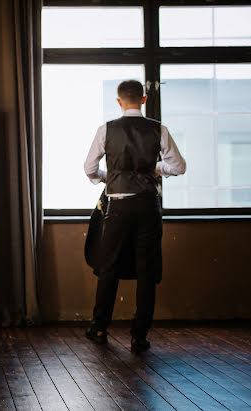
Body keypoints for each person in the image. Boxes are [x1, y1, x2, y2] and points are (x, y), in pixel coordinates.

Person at [83, 80, 186, 353]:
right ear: (143, 99)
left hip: (118, 204)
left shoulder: (107, 129)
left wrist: (109, 177)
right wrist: (156, 170)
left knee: (109, 267)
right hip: (148, 205)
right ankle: (139, 337)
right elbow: (179, 166)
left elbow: (89, 168)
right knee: (147, 270)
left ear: (119, 102)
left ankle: (99, 327)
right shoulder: (158, 129)